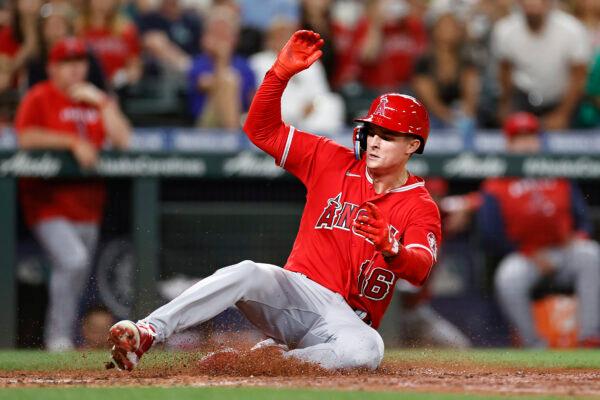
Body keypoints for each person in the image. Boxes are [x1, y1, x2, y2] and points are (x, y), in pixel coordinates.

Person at [108, 30, 441, 371]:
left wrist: (393, 249)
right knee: (248, 273)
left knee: (368, 352)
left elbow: (420, 269)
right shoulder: (332, 159)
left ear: (412, 145)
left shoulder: (419, 204)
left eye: (387, 136)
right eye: (373, 132)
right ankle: (148, 331)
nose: (374, 141)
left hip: (346, 323)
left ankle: (268, 361)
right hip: (296, 292)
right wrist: (278, 76)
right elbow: (260, 131)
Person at [442, 112, 600, 348]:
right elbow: (490, 235)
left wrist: (579, 237)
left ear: (539, 141)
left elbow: (583, 219)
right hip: (525, 257)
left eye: (531, 137)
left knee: (590, 254)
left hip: (564, 251)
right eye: (519, 138)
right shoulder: (496, 182)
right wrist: (529, 253)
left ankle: (589, 336)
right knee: (508, 277)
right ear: (509, 144)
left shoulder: (558, 173)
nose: (526, 143)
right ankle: (534, 344)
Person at [14, 37, 131, 351]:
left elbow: (123, 139)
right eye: (67, 63)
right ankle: (57, 339)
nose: (75, 69)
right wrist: (71, 142)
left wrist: (104, 103)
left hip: (88, 207)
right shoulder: (40, 96)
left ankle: (63, 338)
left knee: (75, 273)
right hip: (47, 205)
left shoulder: (95, 100)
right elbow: (25, 136)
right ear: (53, 67)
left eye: (79, 62)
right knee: (74, 260)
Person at [492, 0, 592, 129]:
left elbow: (578, 78)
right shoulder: (504, 29)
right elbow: (505, 71)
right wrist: (505, 105)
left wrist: (563, 114)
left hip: (563, 99)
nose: (533, 4)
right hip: (523, 97)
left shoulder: (572, 29)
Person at [187, 5, 255, 128]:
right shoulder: (199, 62)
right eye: (215, 34)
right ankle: (233, 140)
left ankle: (233, 135)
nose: (220, 41)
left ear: (234, 39)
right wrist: (222, 58)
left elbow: (252, 99)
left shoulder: (244, 65)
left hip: (240, 119)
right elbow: (206, 84)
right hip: (205, 124)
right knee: (228, 81)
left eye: (224, 34)